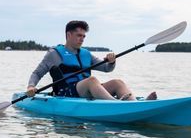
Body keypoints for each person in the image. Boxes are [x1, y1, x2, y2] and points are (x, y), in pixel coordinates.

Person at [26, 20, 157, 101]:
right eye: (79, 35)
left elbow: (107, 68)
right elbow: (37, 73)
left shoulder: (86, 54)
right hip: (66, 93)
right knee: (92, 81)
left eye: (84, 36)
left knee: (118, 82)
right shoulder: (54, 54)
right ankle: (116, 104)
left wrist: (111, 61)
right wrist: (31, 86)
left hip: (86, 90)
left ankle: (133, 104)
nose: (82, 39)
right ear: (68, 35)